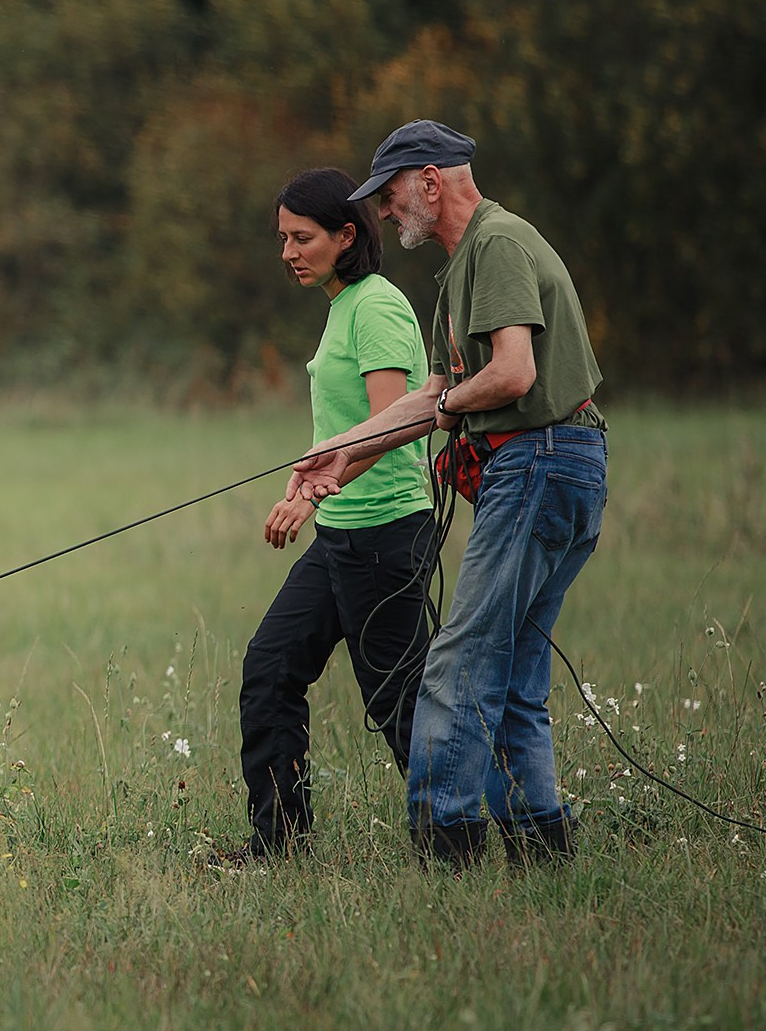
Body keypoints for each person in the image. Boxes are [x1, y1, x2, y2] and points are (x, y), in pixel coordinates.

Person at [291, 120, 605, 870]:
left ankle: (448, 846)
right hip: (551, 461)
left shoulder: (495, 244)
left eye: (391, 195)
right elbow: (432, 393)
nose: (385, 212)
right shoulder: (458, 269)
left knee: (458, 660)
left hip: (542, 457)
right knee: (517, 673)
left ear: (430, 181)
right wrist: (335, 456)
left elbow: (512, 375)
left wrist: (449, 408)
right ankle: (541, 850)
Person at [215, 168, 436, 866]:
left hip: (387, 533)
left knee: (400, 701)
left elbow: (388, 423)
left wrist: (310, 491)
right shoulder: (342, 305)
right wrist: (313, 482)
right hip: (342, 534)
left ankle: (456, 840)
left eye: (301, 237)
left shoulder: (377, 307)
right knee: (271, 667)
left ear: (347, 235)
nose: (287, 251)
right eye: (282, 238)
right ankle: (279, 845)